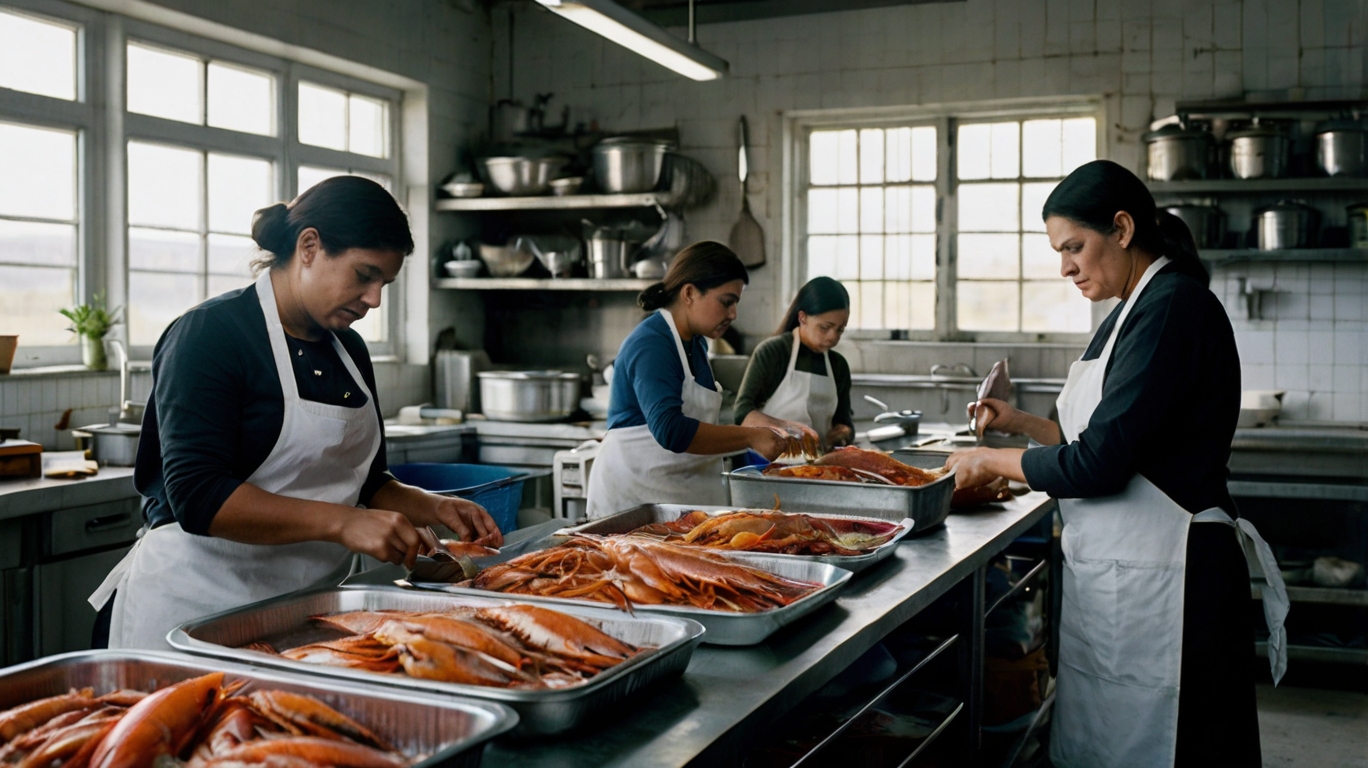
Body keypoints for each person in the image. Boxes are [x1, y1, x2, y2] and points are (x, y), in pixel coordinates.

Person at [946, 160, 1287, 768]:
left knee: (1176, 743)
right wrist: (1020, 426)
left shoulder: (1171, 308)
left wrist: (986, 460)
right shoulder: (1131, 312)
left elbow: (1099, 464)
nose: (1065, 267)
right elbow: (1100, 439)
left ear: (1123, 228)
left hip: (1173, 577)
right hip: (1132, 573)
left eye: (1074, 247)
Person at [90, 176, 502, 650]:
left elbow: (366, 482)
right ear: (309, 247)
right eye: (364, 275)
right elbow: (199, 496)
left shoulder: (348, 349)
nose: (374, 300)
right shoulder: (210, 335)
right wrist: (345, 523)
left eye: (385, 283)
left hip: (301, 612)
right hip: (191, 615)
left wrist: (432, 505)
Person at [586, 241, 788, 520]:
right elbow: (671, 430)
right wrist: (749, 437)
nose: (733, 314)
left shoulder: (695, 344)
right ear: (690, 293)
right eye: (726, 302)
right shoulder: (652, 343)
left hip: (678, 504)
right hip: (635, 509)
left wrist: (752, 425)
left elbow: (697, 425)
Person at [733, 276, 853, 449]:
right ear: (802, 317)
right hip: (767, 461)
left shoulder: (838, 365)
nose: (833, 337)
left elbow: (844, 421)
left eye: (840, 329)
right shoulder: (774, 352)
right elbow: (742, 411)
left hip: (817, 464)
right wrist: (787, 429)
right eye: (825, 327)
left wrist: (843, 432)